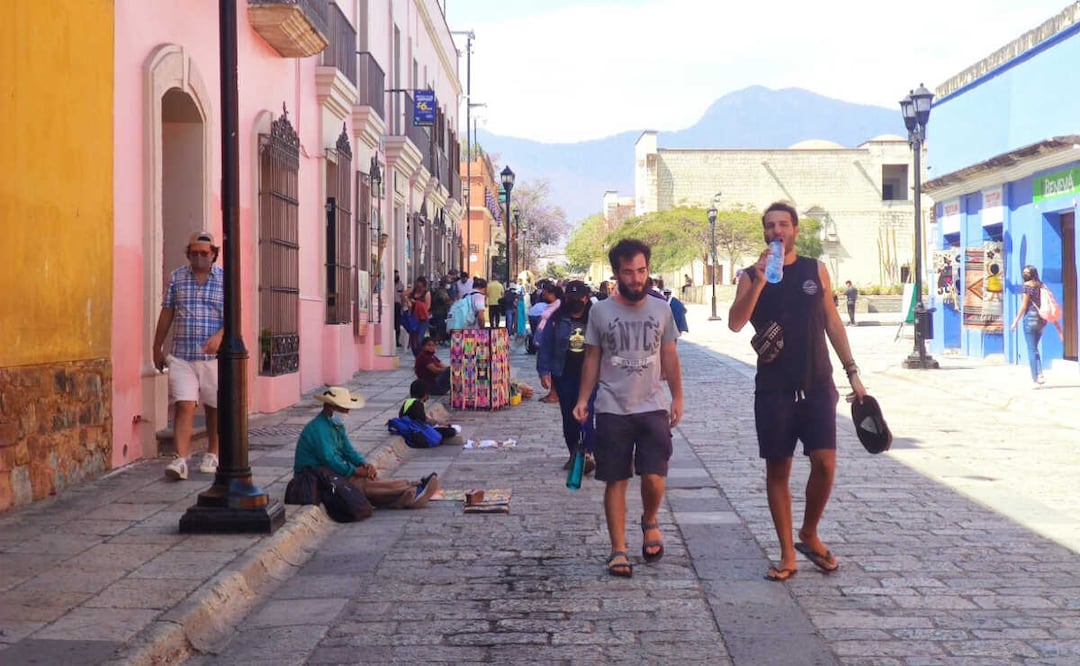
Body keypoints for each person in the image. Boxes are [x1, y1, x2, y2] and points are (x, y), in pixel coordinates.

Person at [727, 201, 866, 582]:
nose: (776, 232)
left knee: (825, 462)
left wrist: (852, 372)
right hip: (773, 386)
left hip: (817, 381)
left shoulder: (814, 270)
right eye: (770, 226)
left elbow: (832, 321)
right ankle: (788, 553)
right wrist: (756, 281)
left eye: (783, 225)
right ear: (764, 232)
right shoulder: (747, 275)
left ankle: (809, 532)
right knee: (779, 468)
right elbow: (737, 323)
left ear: (795, 230)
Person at [573, 239, 683, 578]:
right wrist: (582, 399)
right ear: (616, 273)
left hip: (652, 405)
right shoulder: (600, 311)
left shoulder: (661, 309)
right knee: (616, 478)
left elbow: (669, 355)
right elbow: (592, 356)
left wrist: (677, 396)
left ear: (648, 269)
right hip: (612, 406)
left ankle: (650, 518)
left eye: (641, 271)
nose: (636, 279)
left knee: (654, 474)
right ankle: (618, 548)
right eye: (628, 272)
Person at [153, 231, 223, 480]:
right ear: (188, 254)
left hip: (213, 359)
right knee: (184, 405)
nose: (199, 257)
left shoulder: (225, 280)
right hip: (182, 355)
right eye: (194, 253)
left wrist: (220, 337)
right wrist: (157, 346)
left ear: (214, 254)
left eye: (204, 253)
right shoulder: (177, 278)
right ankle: (181, 459)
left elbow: (234, 316)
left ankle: (213, 453)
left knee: (214, 407)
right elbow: (167, 313)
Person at [295, 386, 438, 509]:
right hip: (313, 477)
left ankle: (411, 489)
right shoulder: (318, 428)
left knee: (371, 480)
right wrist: (355, 470)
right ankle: (411, 492)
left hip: (329, 472)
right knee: (362, 484)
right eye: (343, 409)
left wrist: (364, 464)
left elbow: (348, 450)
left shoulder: (336, 426)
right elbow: (329, 459)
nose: (346, 413)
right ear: (330, 407)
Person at [538, 280, 597, 475]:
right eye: (571, 297)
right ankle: (574, 451)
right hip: (564, 373)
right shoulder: (556, 318)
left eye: (579, 297)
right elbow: (546, 345)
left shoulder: (595, 318)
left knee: (587, 413)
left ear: (586, 298)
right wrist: (544, 371)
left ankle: (587, 452)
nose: (575, 300)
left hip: (590, 375)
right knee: (569, 415)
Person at [1010, 265, 1064, 387]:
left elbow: (1024, 306)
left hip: (1030, 319)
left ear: (1030, 274)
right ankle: (1040, 374)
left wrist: (1015, 321)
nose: (1024, 274)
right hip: (1042, 320)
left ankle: (1035, 379)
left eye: (1026, 273)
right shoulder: (1042, 286)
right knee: (1035, 348)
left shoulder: (1028, 287)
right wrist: (1058, 328)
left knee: (1031, 349)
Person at [406, 276, 431, 356]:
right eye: (417, 286)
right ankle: (417, 357)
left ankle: (421, 356)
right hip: (413, 318)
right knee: (413, 338)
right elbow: (403, 296)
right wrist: (408, 301)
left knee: (419, 338)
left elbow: (427, 306)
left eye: (420, 287)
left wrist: (416, 304)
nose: (419, 288)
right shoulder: (412, 292)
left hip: (422, 318)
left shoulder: (426, 293)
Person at [394, 270, 406, 347]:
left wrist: (403, 305)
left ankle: (397, 341)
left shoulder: (400, 285)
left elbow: (403, 295)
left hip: (397, 305)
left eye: (397, 275)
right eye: (395, 275)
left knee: (397, 324)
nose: (396, 276)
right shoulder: (389, 284)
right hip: (392, 304)